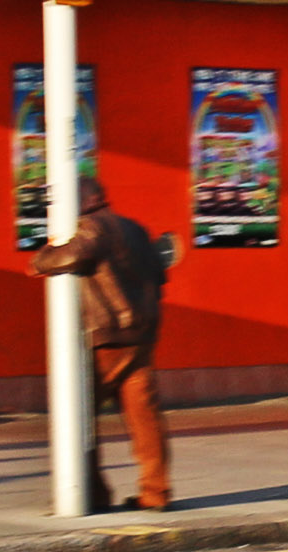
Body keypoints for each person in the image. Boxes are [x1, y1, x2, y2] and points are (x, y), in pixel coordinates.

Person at [28, 176, 173, 512]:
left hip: (106, 338)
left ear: (81, 199)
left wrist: (42, 256)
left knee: (80, 418)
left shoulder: (94, 226)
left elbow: (68, 257)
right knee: (145, 417)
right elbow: (160, 274)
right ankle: (156, 492)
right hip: (141, 335)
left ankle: (91, 494)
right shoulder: (136, 228)